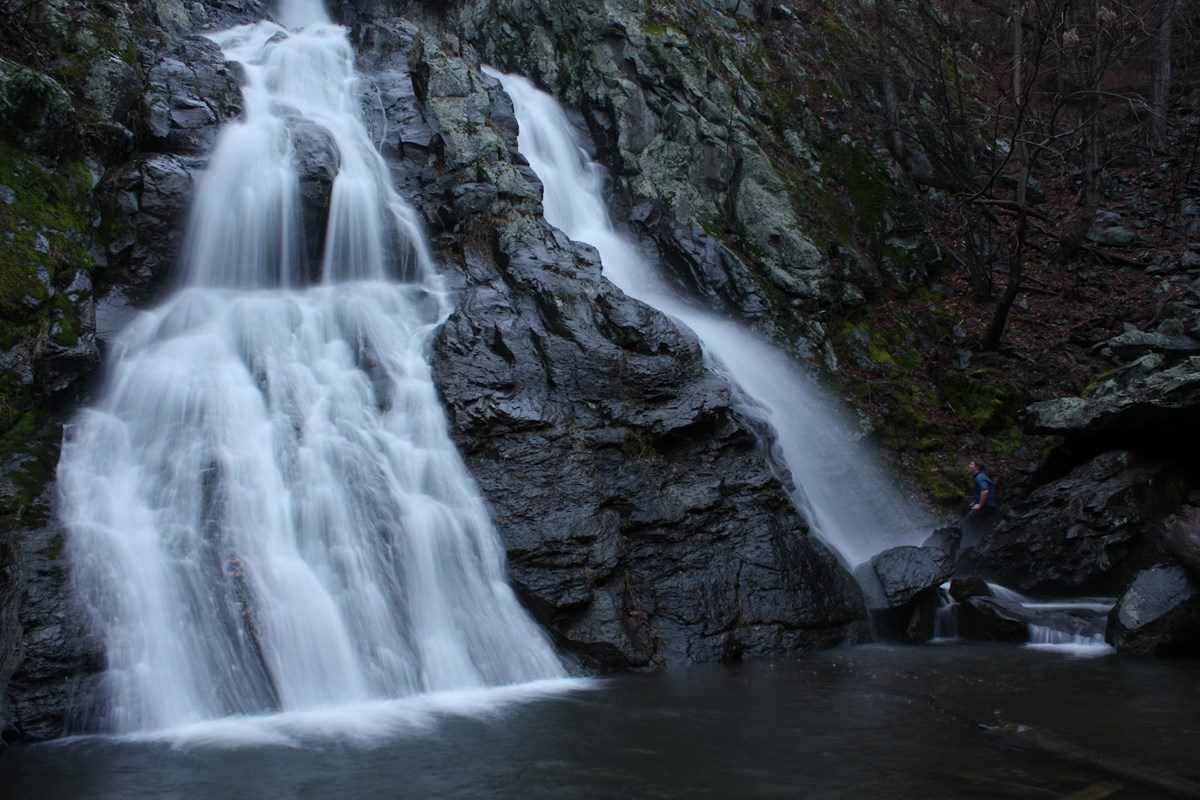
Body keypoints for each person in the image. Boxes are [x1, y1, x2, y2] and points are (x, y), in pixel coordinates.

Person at [963, 458, 998, 545]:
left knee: (967, 521)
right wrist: (975, 501)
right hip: (986, 503)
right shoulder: (979, 476)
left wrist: (979, 505)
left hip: (987, 505)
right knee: (966, 513)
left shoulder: (980, 478)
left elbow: (985, 491)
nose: (969, 466)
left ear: (977, 467)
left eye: (971, 464)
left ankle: (966, 542)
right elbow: (979, 492)